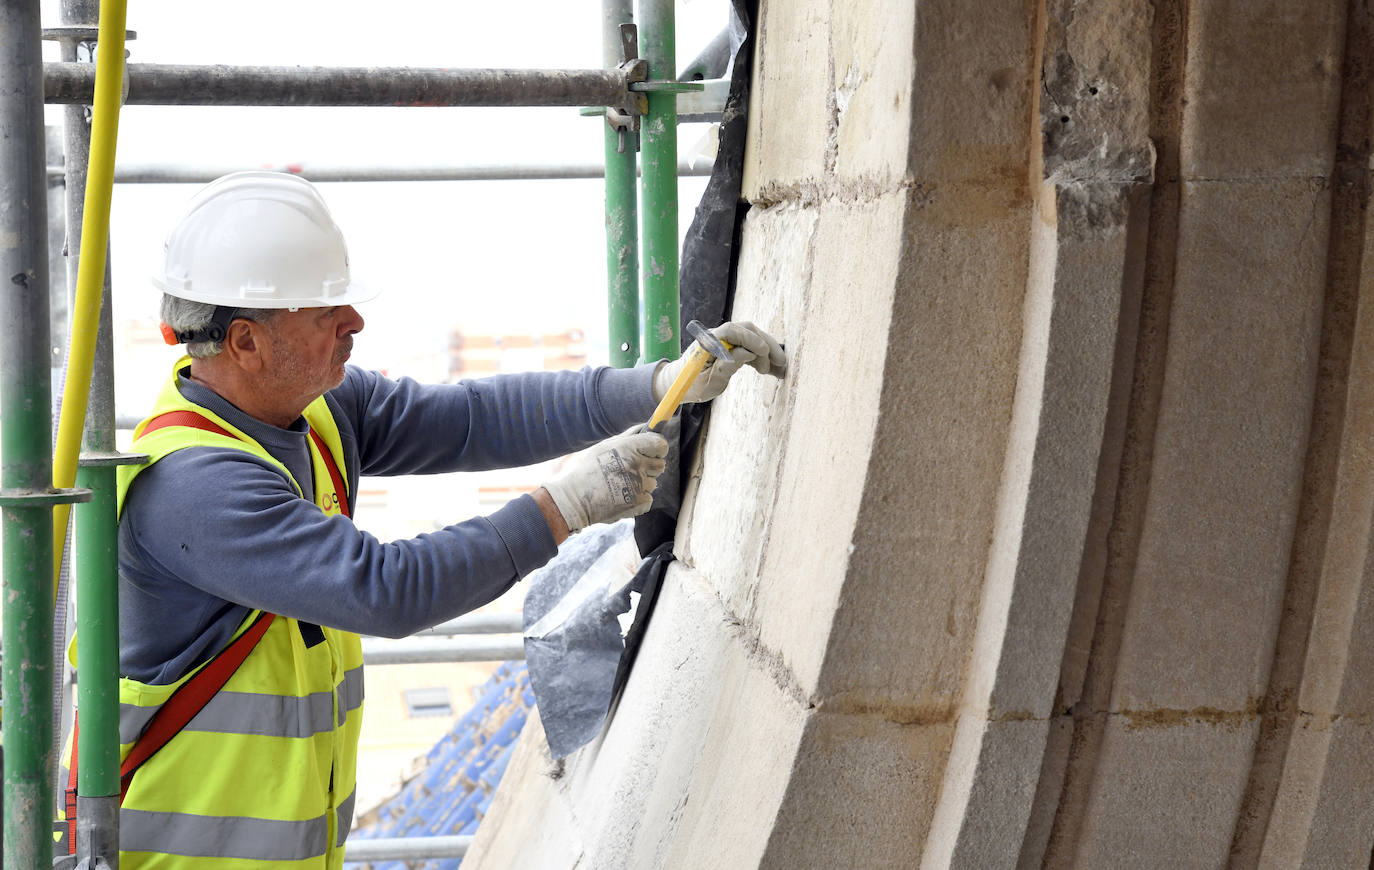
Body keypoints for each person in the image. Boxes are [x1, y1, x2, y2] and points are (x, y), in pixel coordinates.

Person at [67, 171, 786, 868]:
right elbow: (385, 589)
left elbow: (473, 420)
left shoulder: (311, 413)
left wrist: (660, 383)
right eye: (326, 313)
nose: (354, 322)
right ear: (247, 341)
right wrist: (566, 506)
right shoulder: (195, 486)